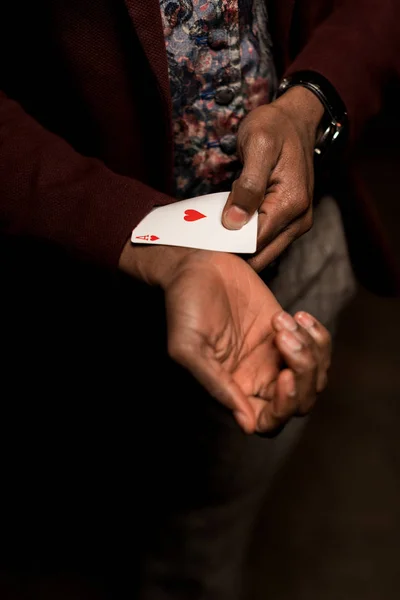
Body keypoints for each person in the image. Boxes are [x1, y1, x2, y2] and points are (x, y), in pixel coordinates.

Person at [0, 1, 398, 599]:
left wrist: (311, 99)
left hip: (297, 257)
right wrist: (137, 234)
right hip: (64, 282)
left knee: (206, 528)